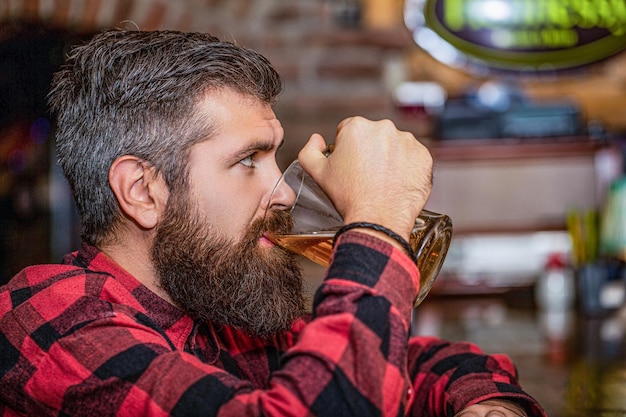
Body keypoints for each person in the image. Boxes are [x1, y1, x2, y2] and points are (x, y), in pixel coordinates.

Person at [0, 29, 545, 417]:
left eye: (273, 158)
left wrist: (488, 405)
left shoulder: (218, 307)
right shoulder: (53, 318)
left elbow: (415, 359)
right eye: (247, 161)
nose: (282, 191)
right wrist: (376, 221)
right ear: (143, 191)